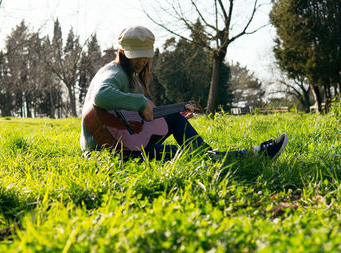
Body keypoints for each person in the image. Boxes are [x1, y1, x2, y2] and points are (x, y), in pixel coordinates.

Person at [80, 26, 289, 161]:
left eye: (145, 57)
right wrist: (140, 103)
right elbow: (101, 96)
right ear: (123, 53)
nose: (142, 62)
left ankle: (231, 154)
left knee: (174, 120)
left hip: (121, 143)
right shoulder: (115, 73)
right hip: (107, 152)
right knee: (191, 155)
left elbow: (135, 120)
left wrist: (161, 114)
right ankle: (253, 155)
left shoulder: (128, 76)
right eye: (137, 57)